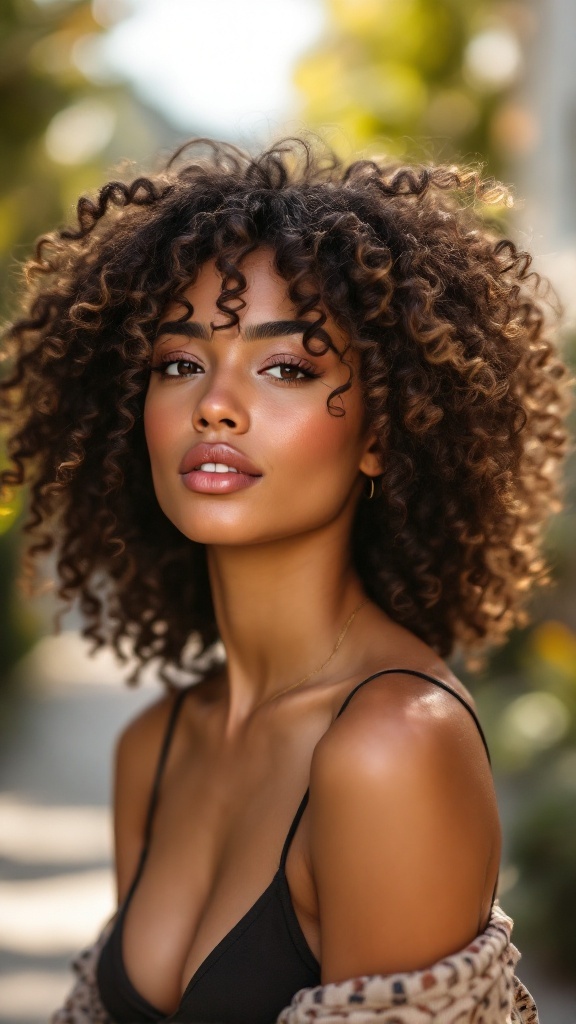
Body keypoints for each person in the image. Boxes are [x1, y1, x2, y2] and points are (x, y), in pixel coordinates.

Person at [0, 136, 568, 1024]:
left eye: (288, 367)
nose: (215, 404)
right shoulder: (155, 747)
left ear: (381, 432)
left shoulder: (392, 748)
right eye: (179, 363)